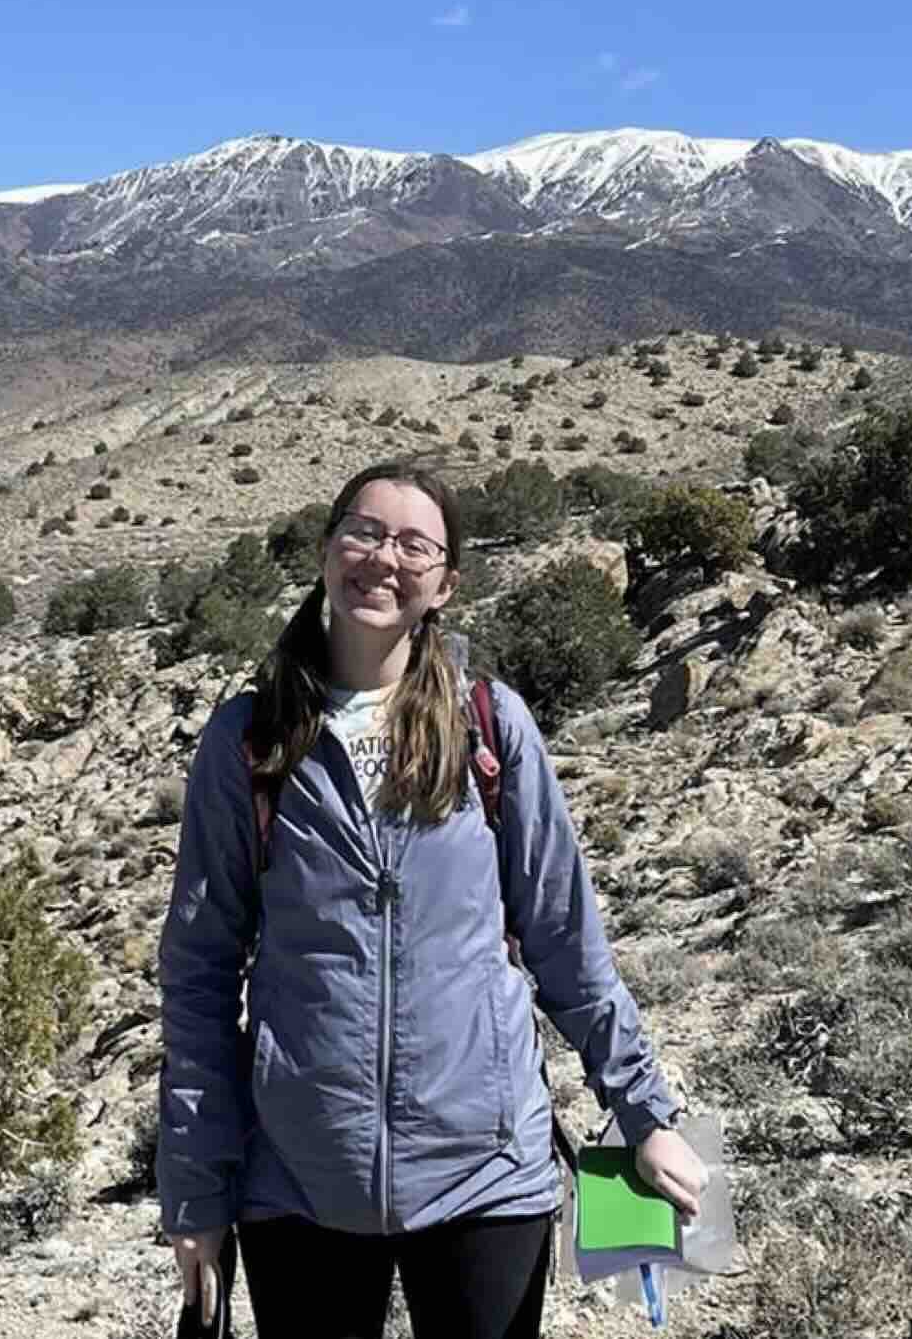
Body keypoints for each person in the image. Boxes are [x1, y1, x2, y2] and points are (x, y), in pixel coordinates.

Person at [157, 462, 705, 1339]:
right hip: (300, 1181)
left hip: (487, 1171)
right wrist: (194, 1186)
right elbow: (199, 976)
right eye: (364, 532)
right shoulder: (249, 741)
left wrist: (644, 1114)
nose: (384, 557)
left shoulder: (489, 725)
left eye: (415, 544)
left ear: (445, 582)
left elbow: (566, 945)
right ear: (326, 549)